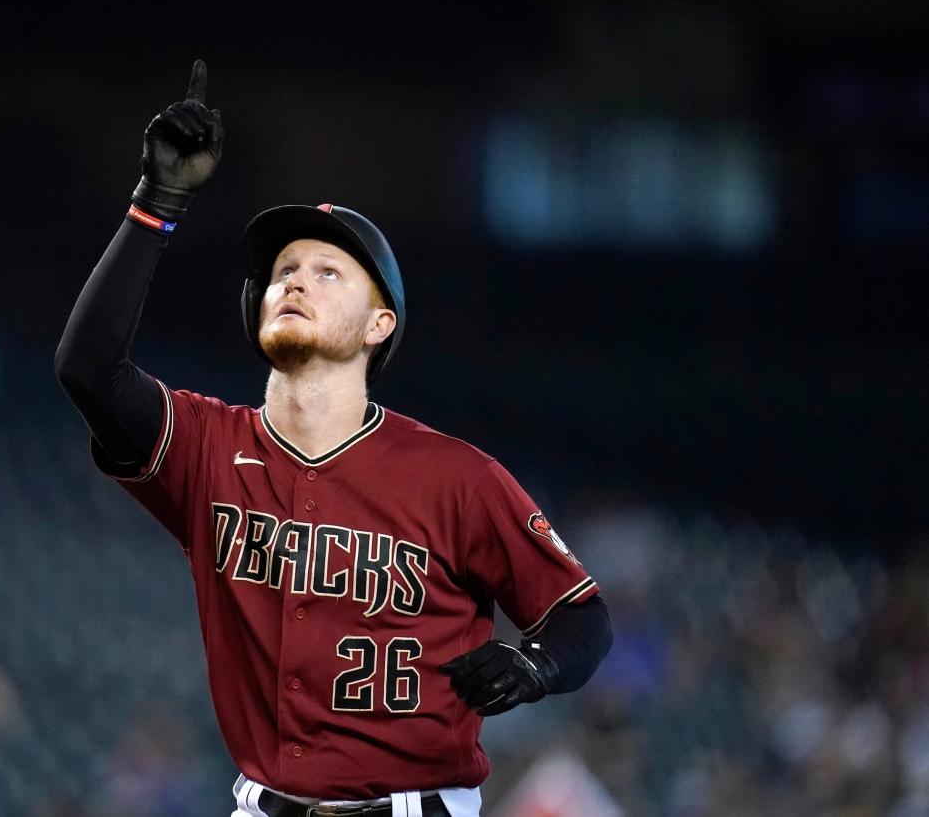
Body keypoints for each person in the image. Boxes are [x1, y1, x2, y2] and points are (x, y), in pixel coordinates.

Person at [55, 60, 612, 817]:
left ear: (380, 325)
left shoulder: (456, 477)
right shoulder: (208, 447)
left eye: (327, 272)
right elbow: (89, 368)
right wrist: (157, 202)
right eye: (284, 270)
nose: (294, 280)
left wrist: (535, 663)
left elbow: (582, 615)